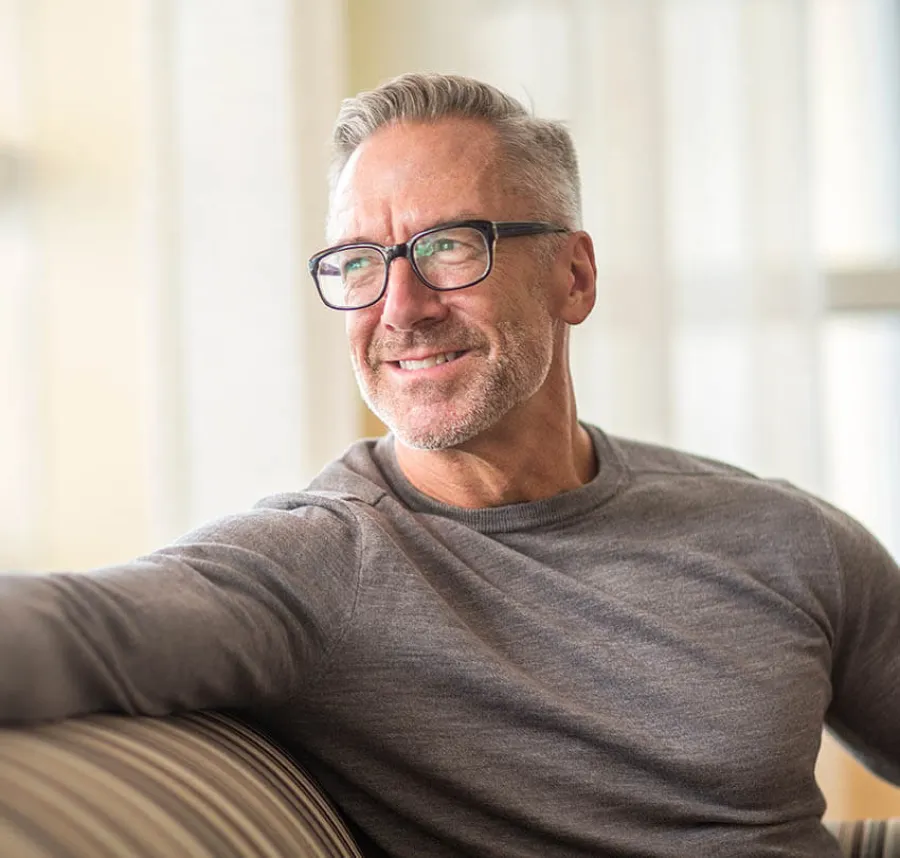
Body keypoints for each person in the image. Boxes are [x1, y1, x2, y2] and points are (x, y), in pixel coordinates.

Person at [1, 72, 898, 858]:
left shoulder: (785, 538)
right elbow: (75, 627)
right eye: (359, 261)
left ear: (574, 277)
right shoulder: (311, 570)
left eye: (449, 246)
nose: (401, 307)